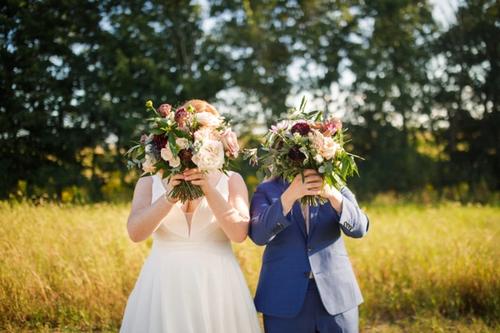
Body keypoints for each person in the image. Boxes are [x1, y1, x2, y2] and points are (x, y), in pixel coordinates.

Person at [120, 100, 261, 333]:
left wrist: (209, 189)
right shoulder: (149, 180)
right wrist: (169, 197)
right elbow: (136, 233)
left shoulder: (232, 179)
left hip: (217, 283)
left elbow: (238, 234)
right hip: (162, 282)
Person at [249, 169, 369, 333]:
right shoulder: (266, 189)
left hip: (337, 297)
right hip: (283, 298)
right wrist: (288, 197)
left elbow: (360, 228)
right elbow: (258, 235)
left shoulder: (334, 183)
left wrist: (334, 196)